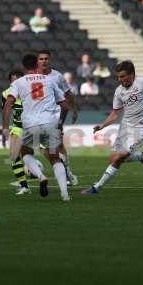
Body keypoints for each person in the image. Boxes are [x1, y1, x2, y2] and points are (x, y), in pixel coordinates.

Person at [81, 60, 143, 195]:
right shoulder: (119, 91)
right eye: (119, 77)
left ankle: (96, 187)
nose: (120, 79)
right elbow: (115, 113)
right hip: (125, 127)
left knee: (119, 158)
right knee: (113, 158)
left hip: (141, 129)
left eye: (123, 76)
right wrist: (102, 125)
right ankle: (141, 157)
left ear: (132, 74)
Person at [2, 54, 71, 201]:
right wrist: (60, 123)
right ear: (37, 65)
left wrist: (5, 128)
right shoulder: (50, 80)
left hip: (31, 124)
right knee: (55, 158)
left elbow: (8, 104)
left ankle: (40, 176)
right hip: (50, 123)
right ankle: (65, 194)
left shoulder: (19, 82)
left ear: (24, 66)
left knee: (25, 151)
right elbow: (65, 106)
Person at [37, 50, 79, 186]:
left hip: (55, 114)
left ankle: (66, 173)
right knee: (45, 149)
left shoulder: (57, 76)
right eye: (41, 59)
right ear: (38, 61)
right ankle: (66, 171)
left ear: (50, 60)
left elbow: (68, 93)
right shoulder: (33, 77)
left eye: (46, 58)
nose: (44, 61)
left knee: (58, 145)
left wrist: (74, 110)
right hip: (39, 116)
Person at [1, 70, 32, 195]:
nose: (17, 83)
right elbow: (5, 111)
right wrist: (5, 128)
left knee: (50, 153)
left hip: (34, 126)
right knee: (14, 156)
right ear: (10, 82)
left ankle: (65, 176)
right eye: (14, 81)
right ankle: (24, 186)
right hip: (18, 128)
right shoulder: (6, 94)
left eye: (19, 80)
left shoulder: (31, 91)